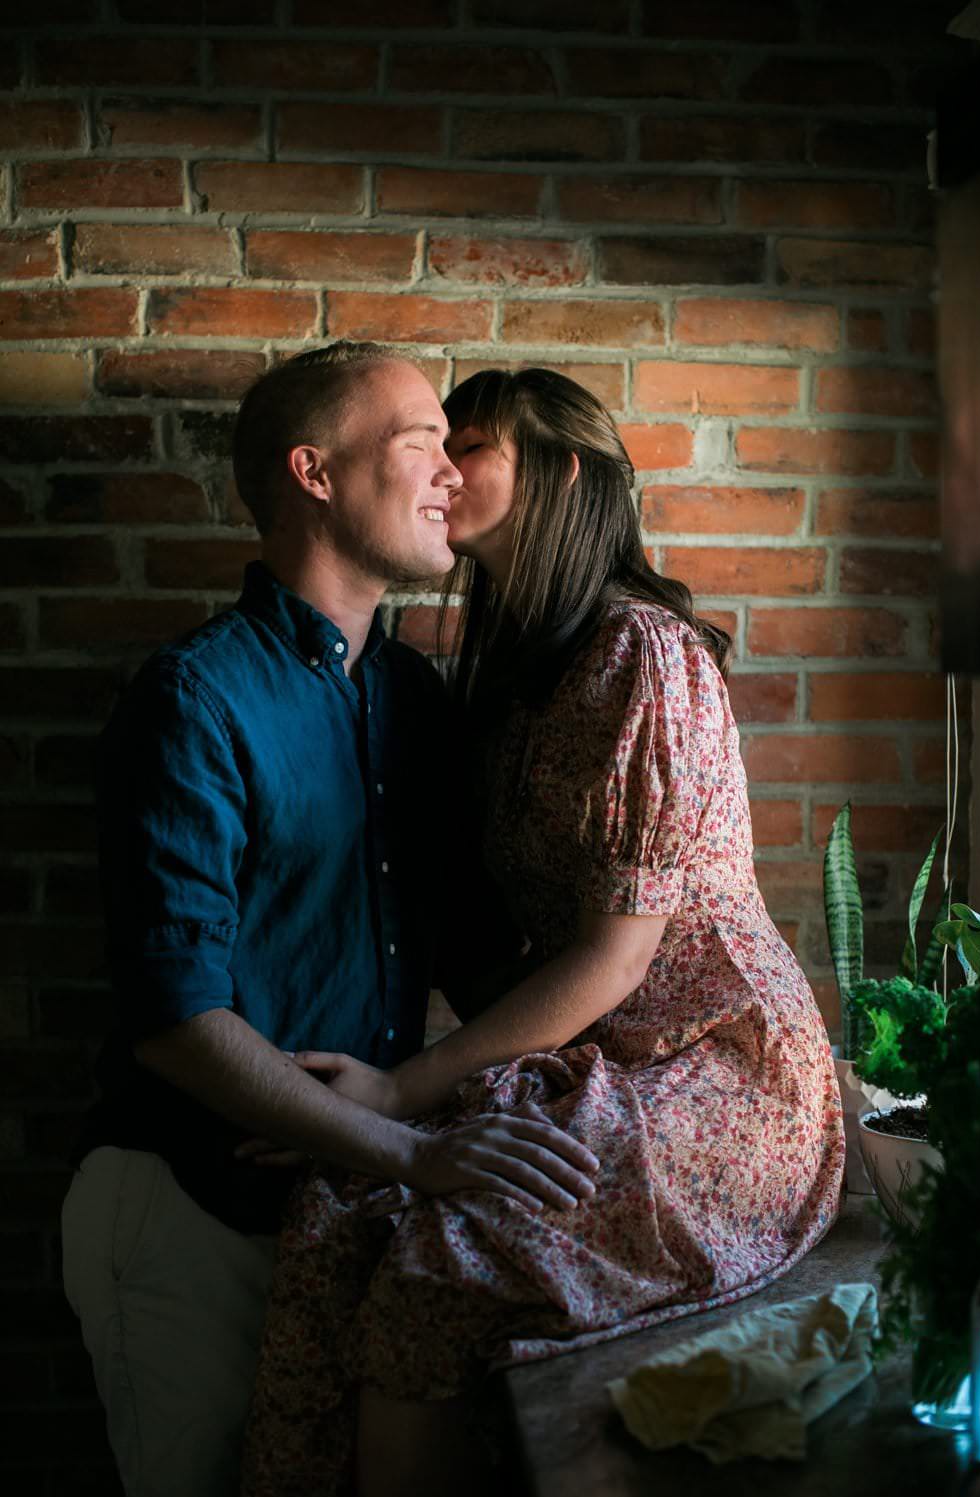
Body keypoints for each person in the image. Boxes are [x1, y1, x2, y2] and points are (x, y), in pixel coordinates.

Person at [234, 367, 844, 1497]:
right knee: (338, 1210)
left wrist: (401, 1089)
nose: (446, 468)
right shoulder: (516, 679)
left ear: (560, 473)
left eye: (475, 444)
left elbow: (615, 957)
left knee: (442, 1264)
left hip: (720, 1071)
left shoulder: (642, 657)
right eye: (439, 443)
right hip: (601, 1063)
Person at [62, 342, 596, 1497]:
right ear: (313, 472)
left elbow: (475, 960)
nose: (451, 473)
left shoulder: (414, 701)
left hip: (352, 1209)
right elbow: (173, 1019)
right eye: (419, 446)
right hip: (194, 1212)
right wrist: (417, 1148)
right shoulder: (193, 700)